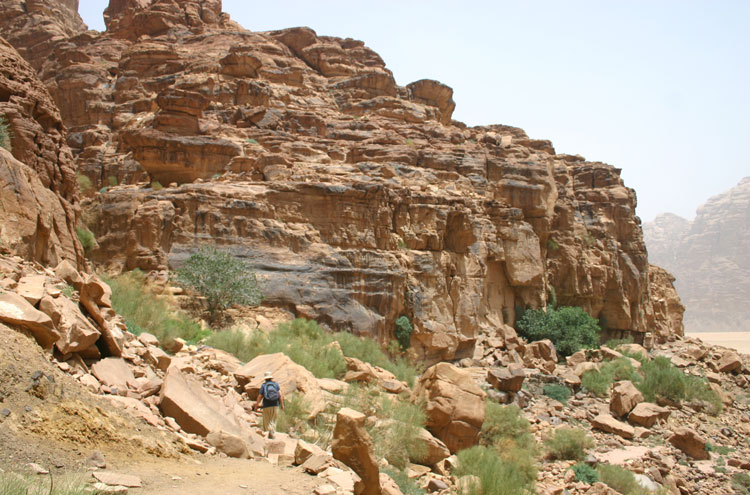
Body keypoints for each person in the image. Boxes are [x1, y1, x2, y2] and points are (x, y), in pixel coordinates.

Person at [254, 370, 284, 439]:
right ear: (271, 377)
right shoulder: (276, 384)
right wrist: (282, 405)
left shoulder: (264, 385)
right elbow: (280, 395)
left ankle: (268, 437)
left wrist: (256, 405)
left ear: (265, 378)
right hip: (275, 405)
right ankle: (272, 434)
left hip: (266, 405)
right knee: (273, 421)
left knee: (267, 422)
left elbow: (260, 396)